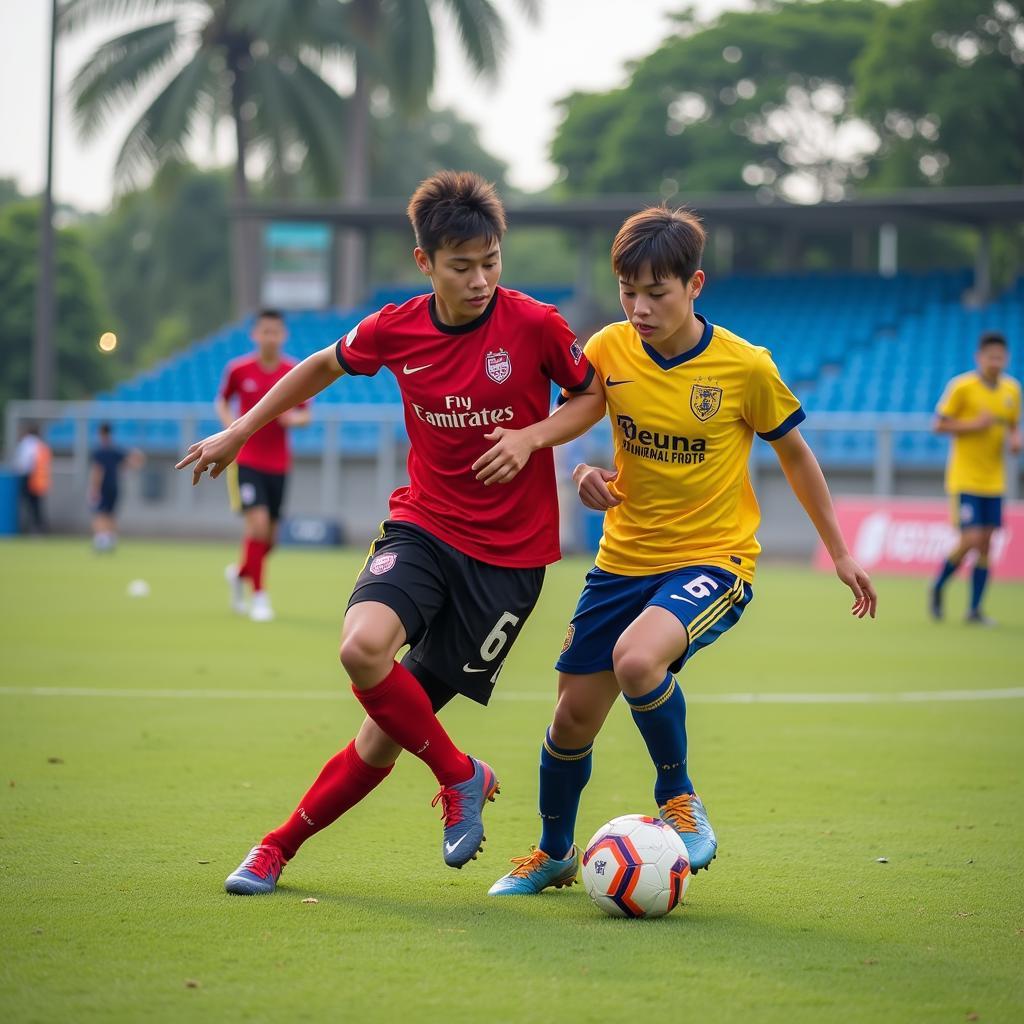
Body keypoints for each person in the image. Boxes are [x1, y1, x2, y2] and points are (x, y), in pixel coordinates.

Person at [176, 171, 598, 893]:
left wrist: (532, 438)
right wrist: (241, 430)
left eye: (491, 262)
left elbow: (589, 395)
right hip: (424, 526)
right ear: (424, 263)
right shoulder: (396, 328)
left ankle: (277, 847)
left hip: (507, 563)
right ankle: (460, 775)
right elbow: (318, 366)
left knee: (382, 734)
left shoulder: (534, 323)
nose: (480, 280)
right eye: (461, 267)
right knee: (362, 648)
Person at [470, 206, 877, 896]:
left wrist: (838, 551)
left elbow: (798, 457)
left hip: (711, 559)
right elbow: (583, 415)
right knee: (571, 718)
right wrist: (583, 474)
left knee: (637, 659)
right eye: (628, 291)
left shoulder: (745, 367)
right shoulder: (609, 348)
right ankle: (555, 851)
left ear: (695, 285)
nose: (639, 307)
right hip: (621, 560)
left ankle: (680, 799)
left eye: (656, 292)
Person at [217, 309, 311, 622]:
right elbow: (221, 400)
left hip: (279, 464)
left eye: (275, 331)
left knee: (270, 540)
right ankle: (259, 597)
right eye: (264, 331)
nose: (269, 337)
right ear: (254, 335)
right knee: (256, 526)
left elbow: (305, 414)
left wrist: (292, 419)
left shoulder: (293, 370)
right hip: (247, 461)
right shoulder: (238, 370)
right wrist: (233, 430)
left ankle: (240, 572)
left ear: (283, 335)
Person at [930, 332, 1021, 624]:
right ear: (979, 358)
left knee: (987, 543)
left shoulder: (1012, 390)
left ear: (1006, 358)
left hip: (994, 479)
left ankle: (974, 609)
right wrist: (974, 424)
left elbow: (1012, 426)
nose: (995, 362)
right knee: (971, 538)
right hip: (965, 477)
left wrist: (1015, 440)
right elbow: (939, 425)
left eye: (1000, 357)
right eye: (990, 356)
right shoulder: (962, 387)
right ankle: (939, 585)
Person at [88, 422, 144, 551]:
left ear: (100, 433)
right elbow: (134, 462)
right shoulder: (116, 450)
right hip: (114, 486)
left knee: (100, 513)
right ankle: (111, 540)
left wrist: (94, 489)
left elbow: (98, 471)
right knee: (111, 514)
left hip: (102, 487)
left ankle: (101, 541)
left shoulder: (100, 451)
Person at [14, 424, 50, 534]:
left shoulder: (27, 444)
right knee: (36, 506)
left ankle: (31, 528)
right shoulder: (41, 445)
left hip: (29, 477)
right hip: (39, 479)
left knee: (29, 505)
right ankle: (39, 528)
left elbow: (23, 463)